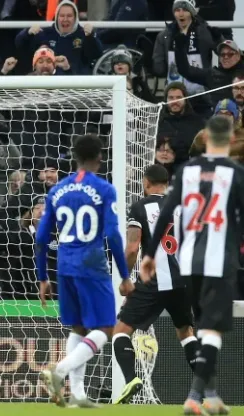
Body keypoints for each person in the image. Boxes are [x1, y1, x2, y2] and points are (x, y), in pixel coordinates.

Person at [140, 116, 243, 415]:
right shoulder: (235, 173)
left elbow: (166, 213)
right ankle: (194, 397)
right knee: (212, 330)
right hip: (219, 260)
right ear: (230, 140)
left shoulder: (186, 171)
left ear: (206, 137)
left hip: (188, 261)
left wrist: (149, 255)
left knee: (202, 328)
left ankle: (210, 395)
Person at [35, 134, 132, 408]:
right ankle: (60, 370)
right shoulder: (104, 189)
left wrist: (42, 277)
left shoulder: (57, 191)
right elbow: (113, 234)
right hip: (92, 264)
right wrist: (125, 275)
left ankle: (77, 394)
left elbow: (41, 238)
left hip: (64, 266)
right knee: (106, 327)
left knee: (78, 326)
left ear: (75, 157)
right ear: (100, 158)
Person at [112, 164, 197, 404]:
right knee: (186, 332)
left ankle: (131, 379)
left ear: (146, 183)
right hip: (183, 280)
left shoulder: (140, 207)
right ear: (167, 184)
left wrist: (125, 279)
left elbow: (132, 249)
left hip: (154, 280)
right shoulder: (183, 206)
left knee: (121, 331)